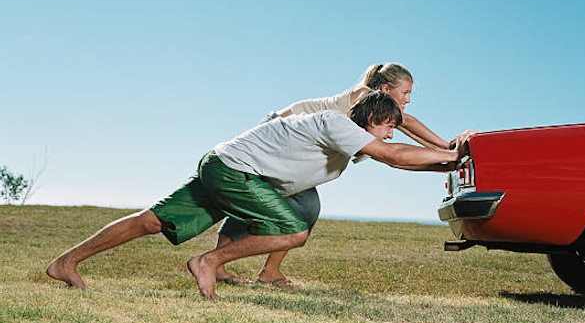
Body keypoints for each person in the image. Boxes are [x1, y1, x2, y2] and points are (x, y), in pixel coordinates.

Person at [46, 91, 472, 299]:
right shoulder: (337, 123)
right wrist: (453, 151)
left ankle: (66, 263)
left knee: (152, 220)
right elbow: (396, 155)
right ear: (374, 118)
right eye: (390, 124)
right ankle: (206, 261)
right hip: (236, 172)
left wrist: (451, 162)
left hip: (223, 164)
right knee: (293, 231)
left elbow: (396, 159)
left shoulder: (348, 139)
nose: (392, 132)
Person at [216, 63, 457, 287]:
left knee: (303, 207)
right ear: (385, 89)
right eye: (405, 92)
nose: (408, 99)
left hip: (295, 146)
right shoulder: (366, 98)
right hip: (279, 132)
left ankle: (265, 270)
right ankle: (242, 268)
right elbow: (405, 125)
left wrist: (442, 158)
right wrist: (447, 148)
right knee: (290, 203)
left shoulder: (376, 114)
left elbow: (393, 154)